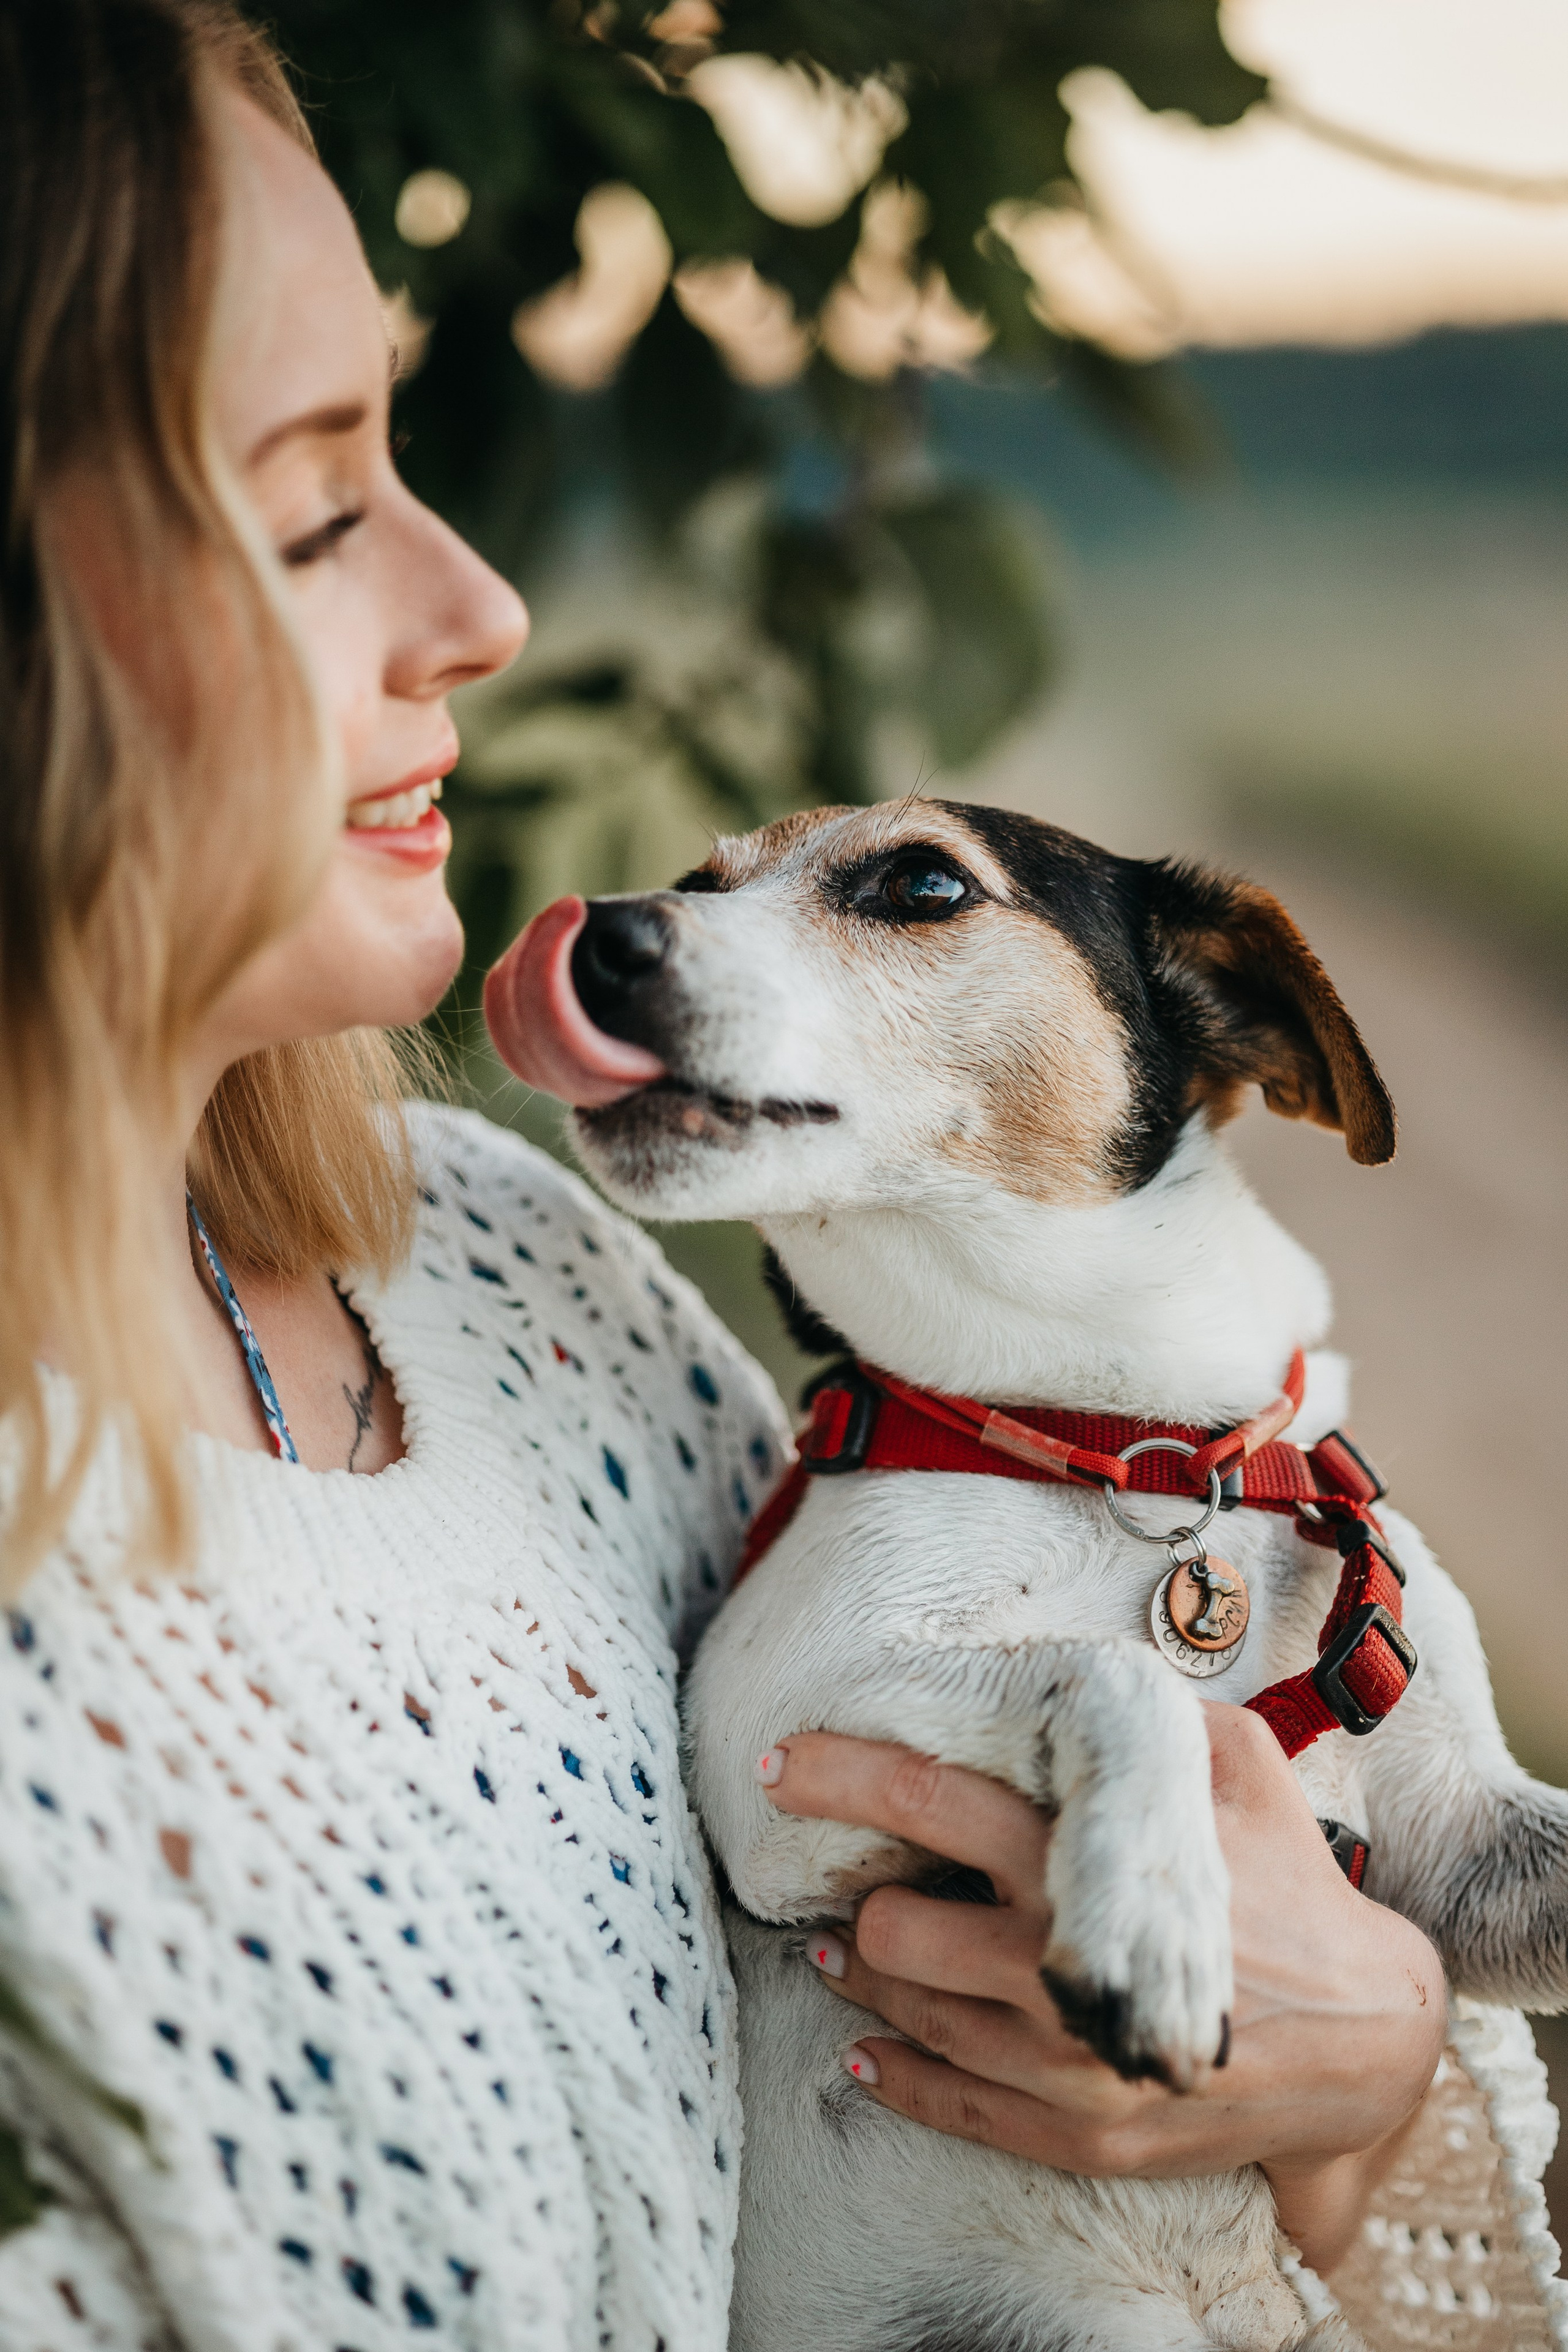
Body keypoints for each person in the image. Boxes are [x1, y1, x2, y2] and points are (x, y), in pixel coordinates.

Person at [0, 4, 1556, 2347]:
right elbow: (817, 1762)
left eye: (409, 457)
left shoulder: (526, 1294)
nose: (488, 612)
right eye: (316, 505)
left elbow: (1328, 2061)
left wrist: (1361, 2085)